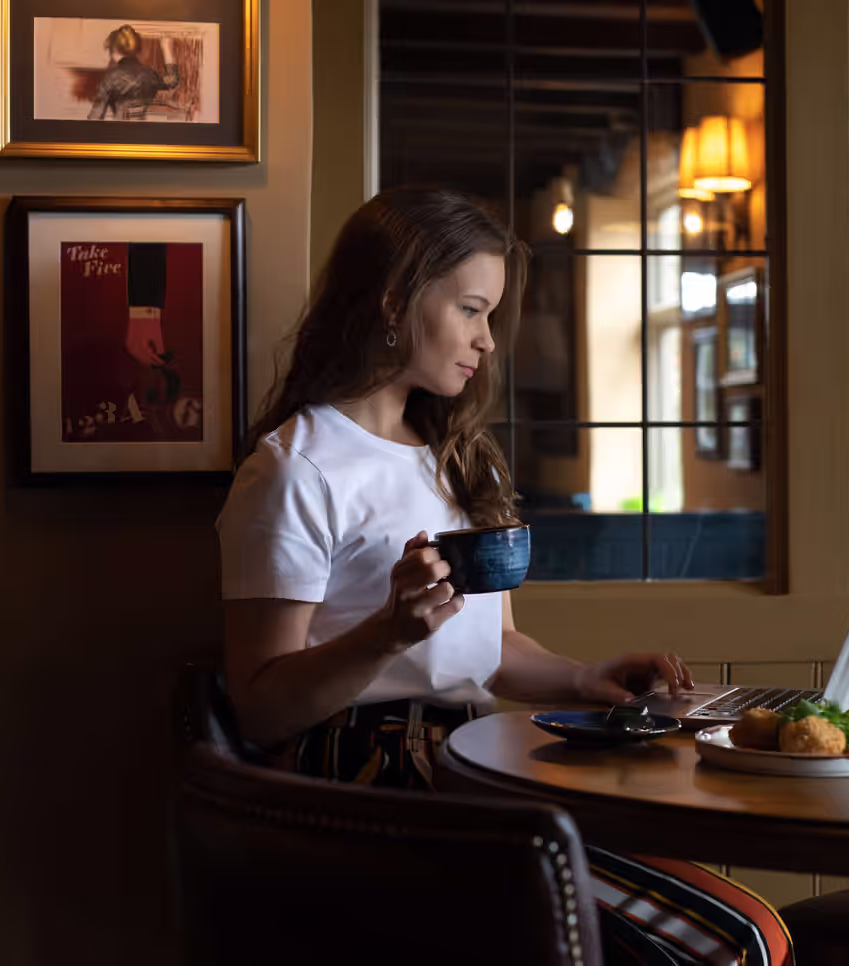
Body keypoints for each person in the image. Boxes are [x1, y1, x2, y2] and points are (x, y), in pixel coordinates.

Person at [217, 187, 793, 966]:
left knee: (751, 931)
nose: (489, 341)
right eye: (472, 310)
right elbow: (260, 708)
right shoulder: (296, 468)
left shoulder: (454, 454)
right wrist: (386, 634)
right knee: (733, 942)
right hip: (366, 792)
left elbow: (492, 647)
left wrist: (586, 677)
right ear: (395, 301)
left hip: (476, 763)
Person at [87, 25, 179, 121]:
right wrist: (166, 49)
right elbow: (171, 81)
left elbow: (95, 116)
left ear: (114, 50)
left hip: (119, 132)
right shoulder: (149, 74)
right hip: (142, 132)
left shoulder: (110, 78)